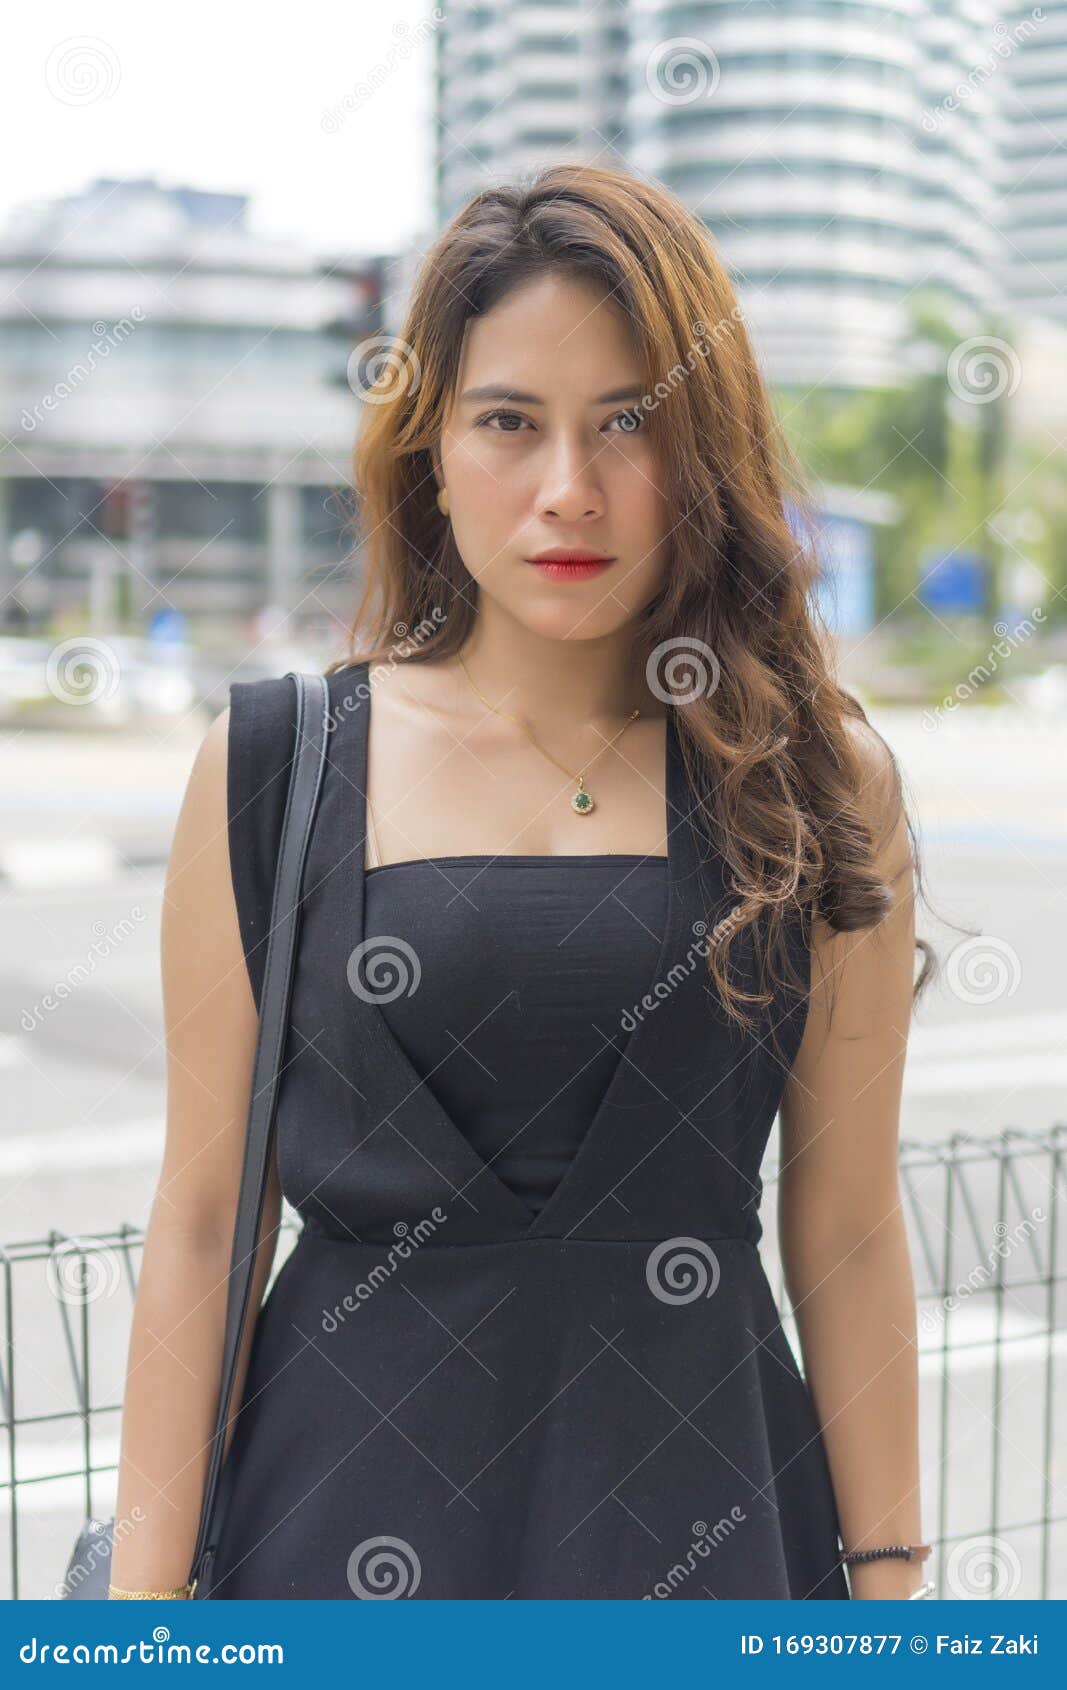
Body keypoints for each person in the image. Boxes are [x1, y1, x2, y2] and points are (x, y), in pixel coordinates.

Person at [109, 163, 933, 1600]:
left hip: (717, 1533)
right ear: (430, 444)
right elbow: (200, 1222)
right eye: (509, 422)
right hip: (326, 1542)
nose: (570, 489)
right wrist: (140, 1612)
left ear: (706, 451)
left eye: (631, 424)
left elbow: (851, 1227)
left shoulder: (813, 779)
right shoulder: (274, 766)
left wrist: (892, 1595)